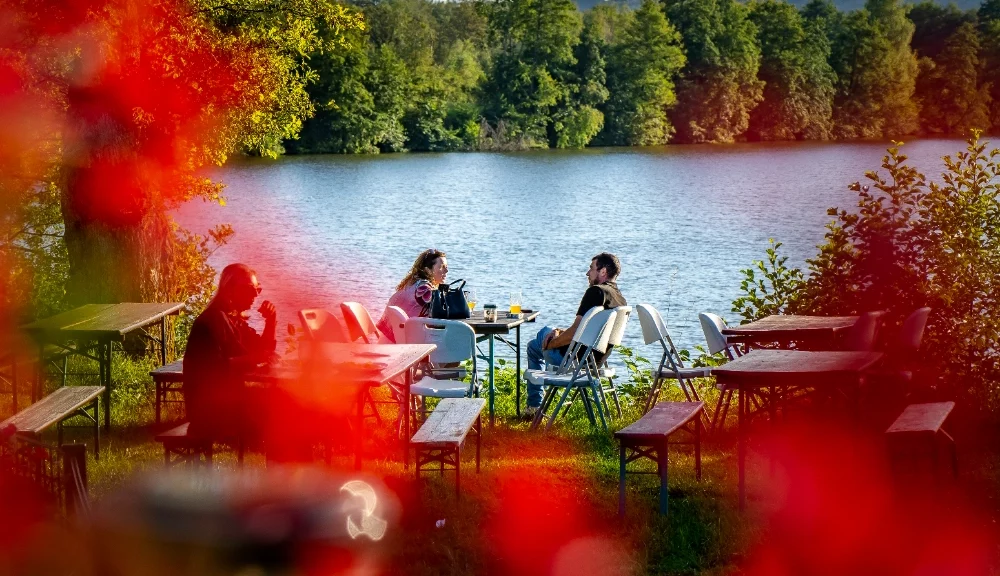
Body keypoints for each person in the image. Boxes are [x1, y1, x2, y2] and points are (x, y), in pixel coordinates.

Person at [183, 263, 277, 443]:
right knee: (281, 410)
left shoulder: (233, 319)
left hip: (225, 403)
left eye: (258, 289)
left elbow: (263, 349)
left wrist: (271, 321)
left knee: (281, 402)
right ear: (229, 289)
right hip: (208, 412)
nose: (255, 295)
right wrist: (254, 360)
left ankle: (287, 466)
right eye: (249, 289)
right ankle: (285, 467)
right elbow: (217, 369)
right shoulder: (212, 321)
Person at [525, 253, 627, 416]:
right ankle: (534, 407)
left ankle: (534, 407)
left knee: (540, 337)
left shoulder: (595, 292)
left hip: (574, 364)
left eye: (591, 268)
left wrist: (551, 343)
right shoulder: (620, 299)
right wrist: (559, 332)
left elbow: (575, 333)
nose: (587, 273)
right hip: (595, 362)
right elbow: (585, 330)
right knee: (541, 339)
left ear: (603, 271)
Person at [376, 249, 448, 342]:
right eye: (442, 267)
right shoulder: (422, 288)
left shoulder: (414, 282)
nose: (446, 271)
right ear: (428, 270)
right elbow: (440, 310)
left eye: (446, 266)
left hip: (392, 338)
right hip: (400, 344)